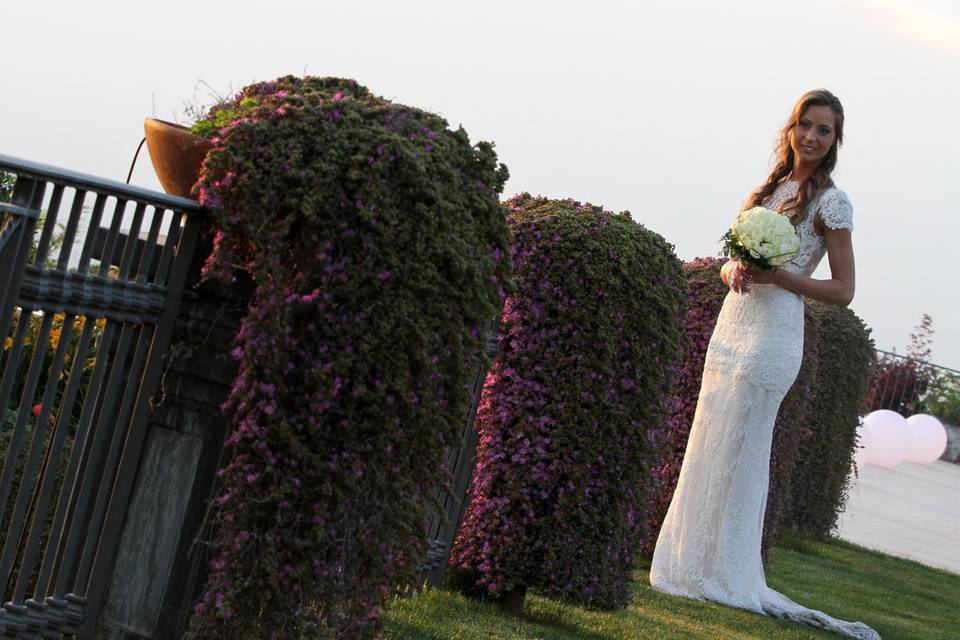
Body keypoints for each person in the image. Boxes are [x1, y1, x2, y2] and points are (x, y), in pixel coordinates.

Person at [649, 89, 881, 640]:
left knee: (743, 450)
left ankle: (729, 574)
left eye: (824, 130)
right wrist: (735, 272)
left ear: (834, 142)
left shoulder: (834, 204)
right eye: (805, 124)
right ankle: (689, 565)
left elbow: (843, 289)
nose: (812, 137)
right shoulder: (769, 189)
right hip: (732, 327)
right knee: (710, 441)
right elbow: (736, 258)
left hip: (774, 336)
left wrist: (781, 278)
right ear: (791, 128)